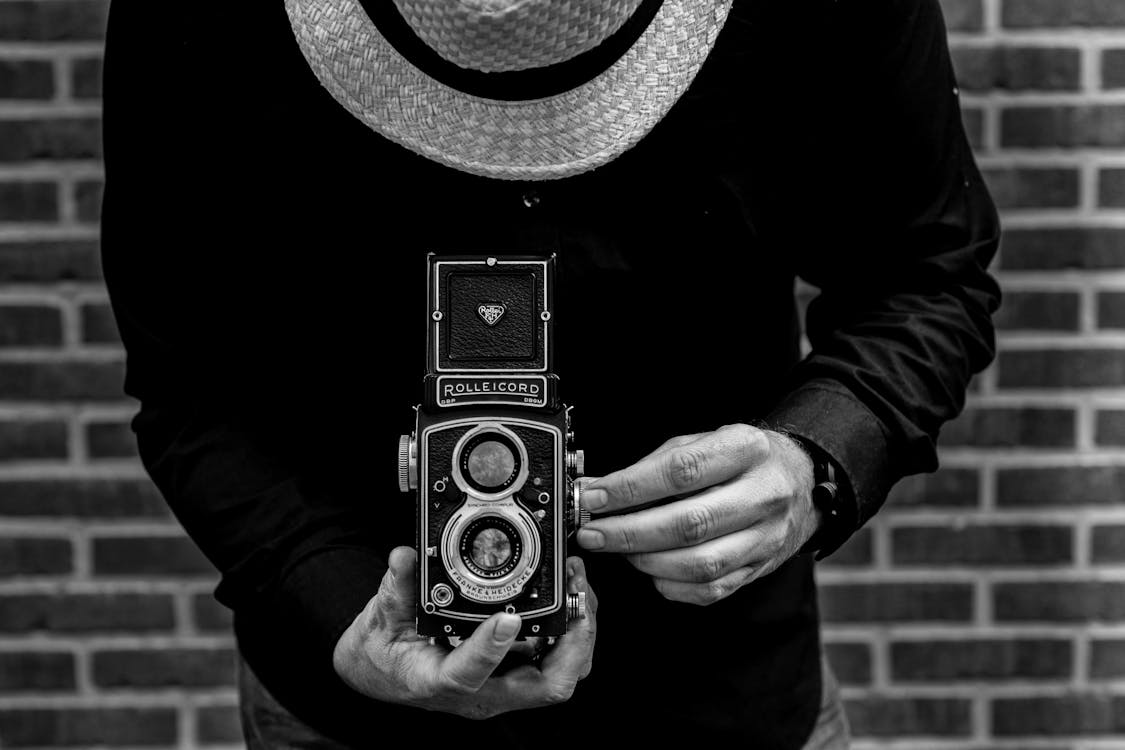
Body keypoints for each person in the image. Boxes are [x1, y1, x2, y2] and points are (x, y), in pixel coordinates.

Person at [100, 0, 1000, 747]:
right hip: (343, 710)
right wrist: (332, 604)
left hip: (721, 699)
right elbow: (191, 375)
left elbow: (924, 270)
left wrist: (811, 461)